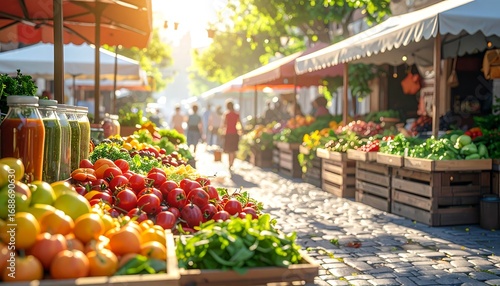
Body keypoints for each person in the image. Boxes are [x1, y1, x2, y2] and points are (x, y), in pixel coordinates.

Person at [221, 99, 241, 171]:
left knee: (229, 150)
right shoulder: (237, 114)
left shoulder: (226, 114)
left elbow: (224, 125)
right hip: (235, 133)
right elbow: (239, 124)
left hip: (228, 133)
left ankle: (230, 163)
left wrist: (222, 132)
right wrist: (241, 131)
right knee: (234, 149)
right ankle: (232, 163)